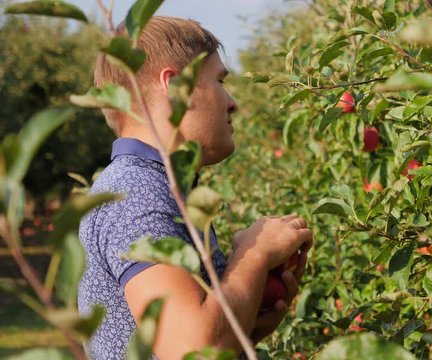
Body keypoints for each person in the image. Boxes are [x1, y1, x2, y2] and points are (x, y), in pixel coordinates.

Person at [78, 16, 312, 359]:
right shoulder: (135, 193)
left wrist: (252, 320)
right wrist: (255, 253)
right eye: (219, 81)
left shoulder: (157, 186)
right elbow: (192, 349)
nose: (233, 103)